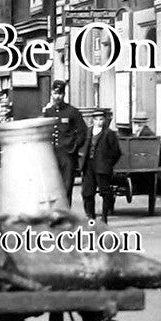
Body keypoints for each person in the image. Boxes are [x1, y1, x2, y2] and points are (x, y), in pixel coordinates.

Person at [42, 79, 88, 208]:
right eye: (55, 93)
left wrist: (73, 147)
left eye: (60, 94)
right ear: (51, 93)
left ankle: (66, 213)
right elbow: (45, 132)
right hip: (52, 154)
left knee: (67, 186)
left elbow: (82, 132)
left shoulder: (72, 112)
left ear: (64, 95)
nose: (58, 97)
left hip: (67, 155)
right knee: (52, 185)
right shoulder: (48, 112)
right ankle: (55, 212)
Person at [82, 109, 122, 223]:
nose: (99, 122)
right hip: (89, 165)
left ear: (104, 120)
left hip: (103, 167)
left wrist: (109, 163)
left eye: (101, 119)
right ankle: (91, 217)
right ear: (93, 120)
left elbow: (116, 152)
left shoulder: (109, 133)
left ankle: (104, 217)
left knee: (105, 192)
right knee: (88, 192)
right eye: (96, 119)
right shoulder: (88, 131)